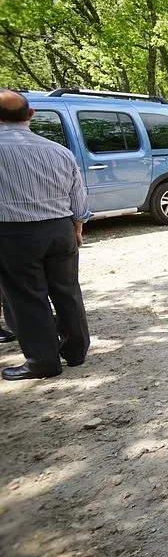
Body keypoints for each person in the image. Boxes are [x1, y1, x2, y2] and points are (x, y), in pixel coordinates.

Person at [0, 89, 90, 381]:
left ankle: (43, 360)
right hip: (60, 228)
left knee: (27, 297)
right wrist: (77, 226)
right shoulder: (58, 151)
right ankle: (76, 351)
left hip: (13, 232)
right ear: (31, 115)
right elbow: (78, 193)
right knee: (67, 290)